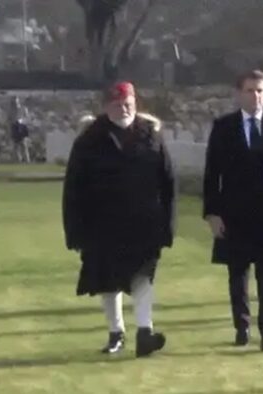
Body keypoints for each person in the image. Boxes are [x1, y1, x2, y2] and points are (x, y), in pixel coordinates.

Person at [63, 81, 176, 358]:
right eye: (117, 104)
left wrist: (168, 225)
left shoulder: (151, 135)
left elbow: (168, 181)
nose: (124, 108)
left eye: (128, 103)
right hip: (102, 224)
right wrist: (74, 231)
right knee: (108, 281)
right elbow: (74, 188)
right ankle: (116, 332)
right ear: (106, 107)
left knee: (143, 278)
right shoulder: (90, 140)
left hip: (144, 223)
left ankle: (145, 333)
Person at [203, 70, 263, 352]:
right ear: (239, 94)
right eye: (250, 90)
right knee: (238, 273)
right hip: (235, 212)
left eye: (260, 90)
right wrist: (212, 213)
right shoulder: (223, 128)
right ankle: (242, 326)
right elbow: (211, 174)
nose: (255, 96)